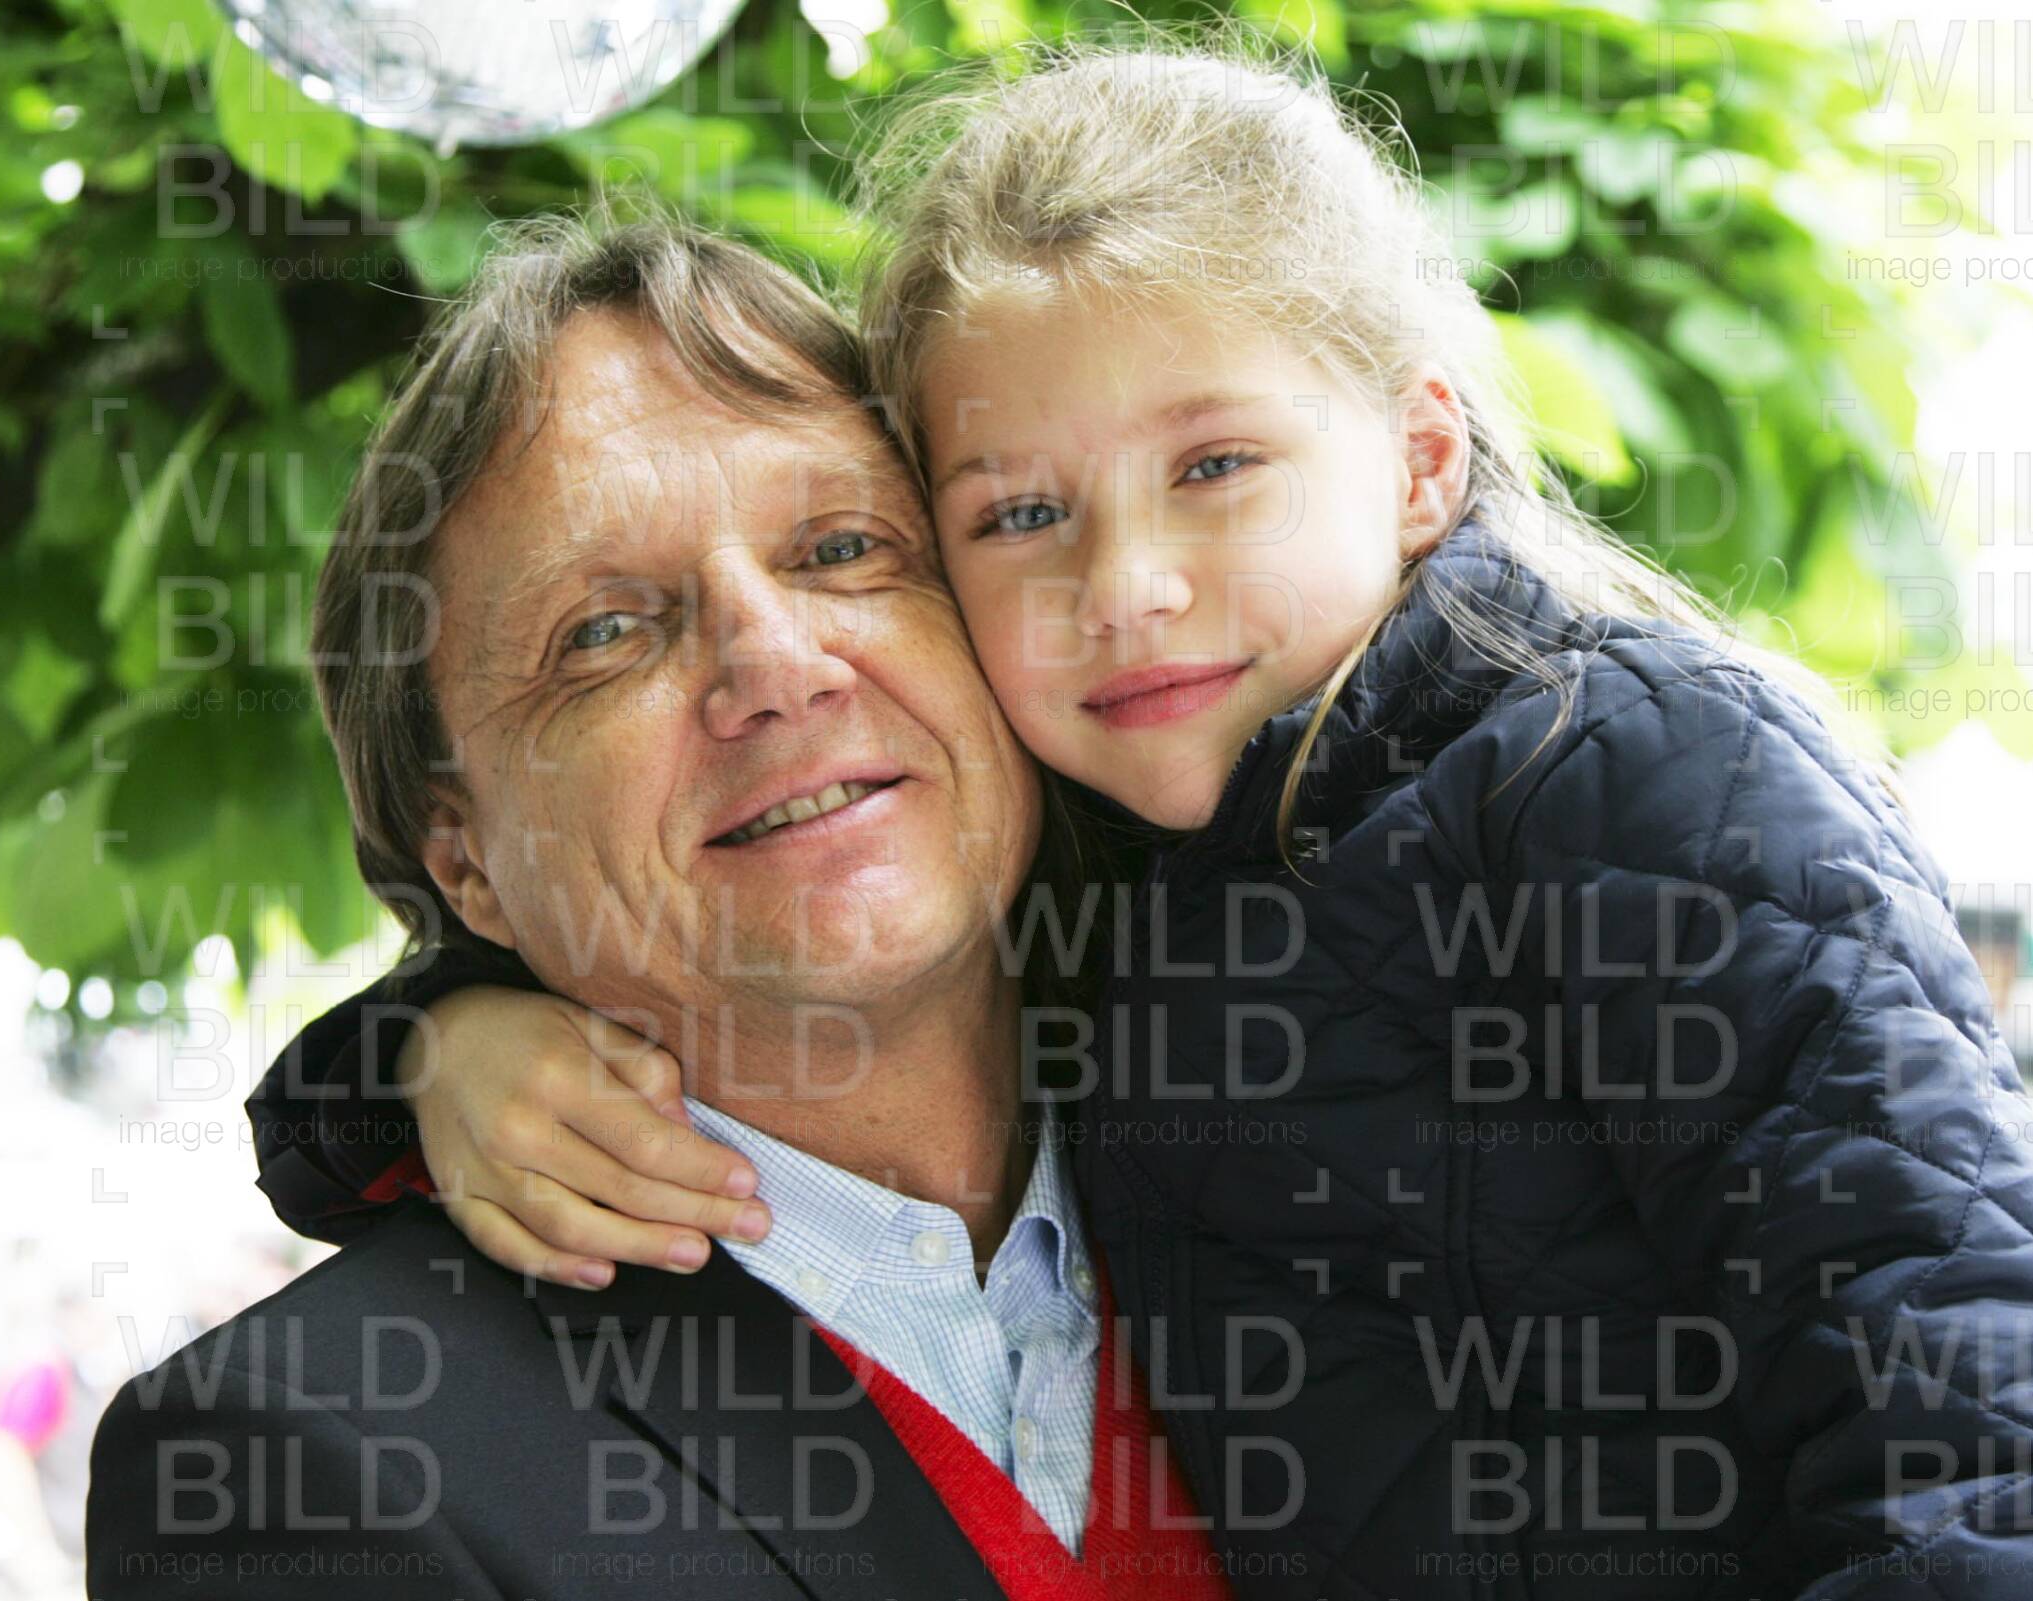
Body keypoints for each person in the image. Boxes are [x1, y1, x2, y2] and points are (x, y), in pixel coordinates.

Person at [240, 40, 2033, 1599]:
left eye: (1219, 467)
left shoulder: (1639, 778)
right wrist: (433, 1036)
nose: (1130, 587)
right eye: (1017, 514)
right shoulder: (1141, 885)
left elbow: (1996, 1435)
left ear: (1421, 456)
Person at [87, 214, 1231, 1600]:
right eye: (604, 633)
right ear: (465, 859)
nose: (778, 664)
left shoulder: (1310, 1158)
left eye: (842, 547)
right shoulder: (305, 1469)